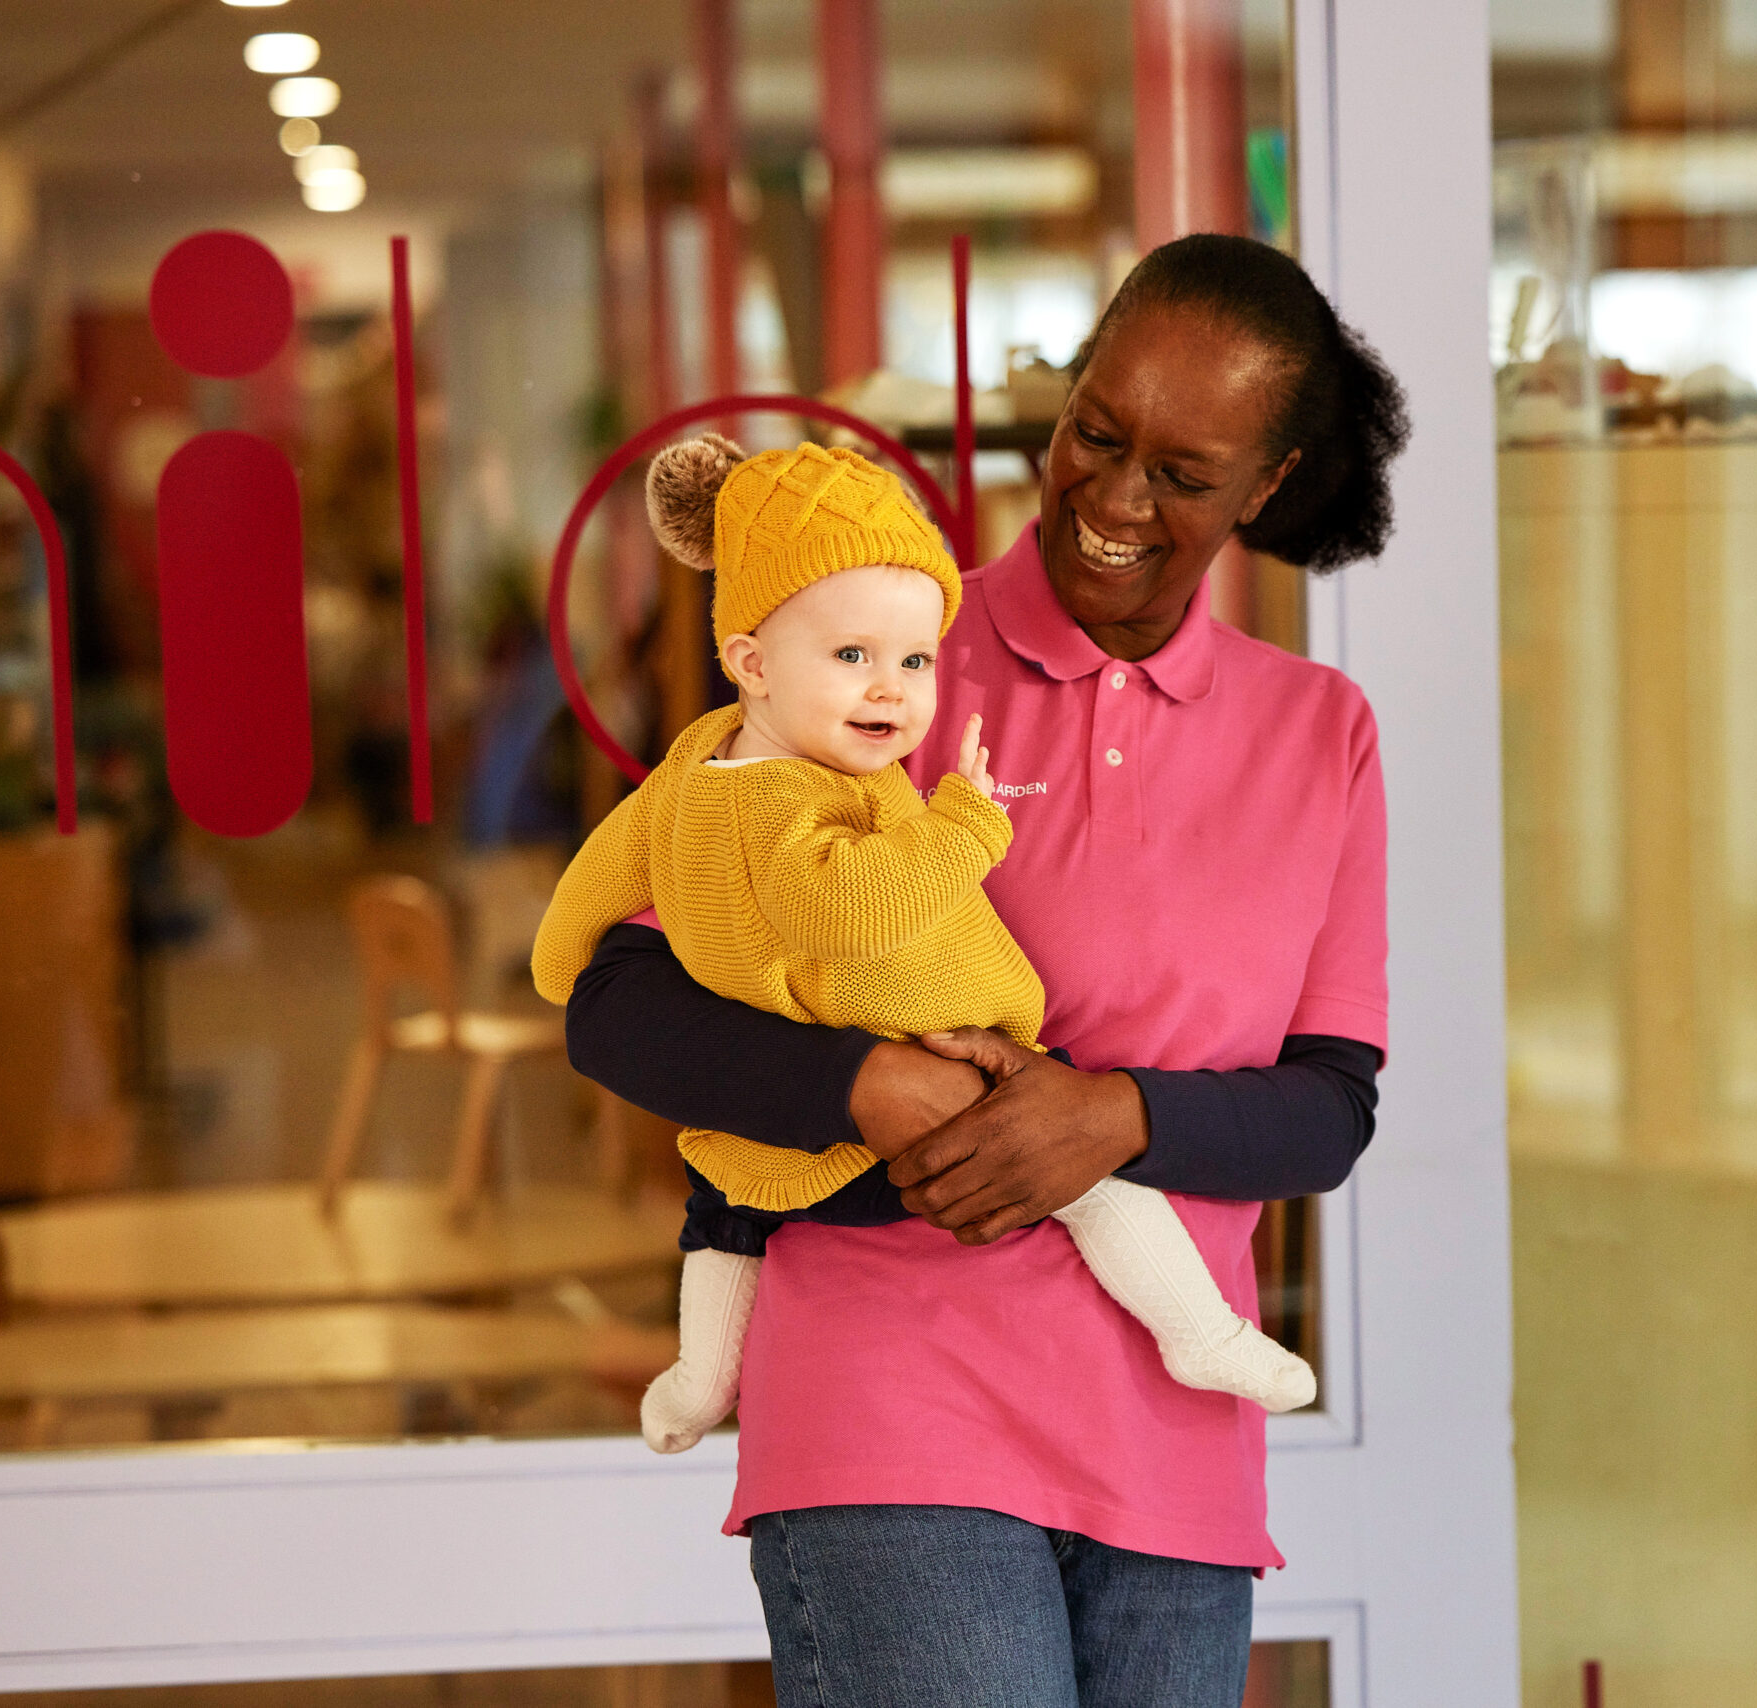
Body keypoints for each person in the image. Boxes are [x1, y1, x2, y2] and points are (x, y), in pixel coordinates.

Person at [561, 232, 1406, 1708]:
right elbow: (619, 1001)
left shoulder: (1318, 732)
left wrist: (1116, 1117)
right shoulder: (876, 653)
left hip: (1173, 1435)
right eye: (1097, 431)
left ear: (1262, 490)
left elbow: (1328, 1110)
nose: (1118, 500)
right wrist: (856, 1082)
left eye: (1185, 473)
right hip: (892, 1398)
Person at [530, 435, 1317, 1449]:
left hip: (792, 1110)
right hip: (918, 1086)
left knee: (725, 1206)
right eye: (852, 657)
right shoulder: (790, 802)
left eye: (913, 661)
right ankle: (1198, 1326)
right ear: (750, 662)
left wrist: (560, 960)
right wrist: (963, 829)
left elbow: (604, 868)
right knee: (1088, 1172)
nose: (889, 691)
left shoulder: (692, 765)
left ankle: (696, 1376)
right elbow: (846, 906)